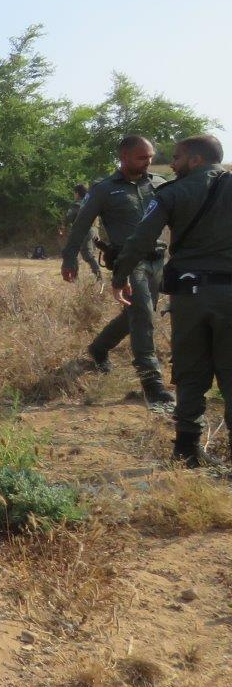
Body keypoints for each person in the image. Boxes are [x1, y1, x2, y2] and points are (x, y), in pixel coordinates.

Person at [111, 135, 231, 468]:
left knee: (191, 373)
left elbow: (140, 239)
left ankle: (187, 450)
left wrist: (119, 278)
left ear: (195, 160)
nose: (171, 164)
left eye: (176, 158)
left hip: (190, 296)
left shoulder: (172, 194)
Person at [62, 135, 175, 408]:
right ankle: (153, 383)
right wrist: (70, 259)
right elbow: (81, 225)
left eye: (150, 157)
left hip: (158, 259)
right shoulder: (103, 189)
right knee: (143, 315)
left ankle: (99, 347)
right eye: (141, 158)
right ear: (124, 157)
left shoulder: (160, 184)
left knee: (135, 313)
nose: (148, 162)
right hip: (128, 262)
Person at [64, 184, 102, 280]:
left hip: (83, 231)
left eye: (74, 193)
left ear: (77, 193)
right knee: (87, 254)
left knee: (77, 253)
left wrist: (63, 226)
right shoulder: (90, 202)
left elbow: (69, 217)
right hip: (94, 230)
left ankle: (74, 277)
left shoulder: (77, 204)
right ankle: (98, 276)